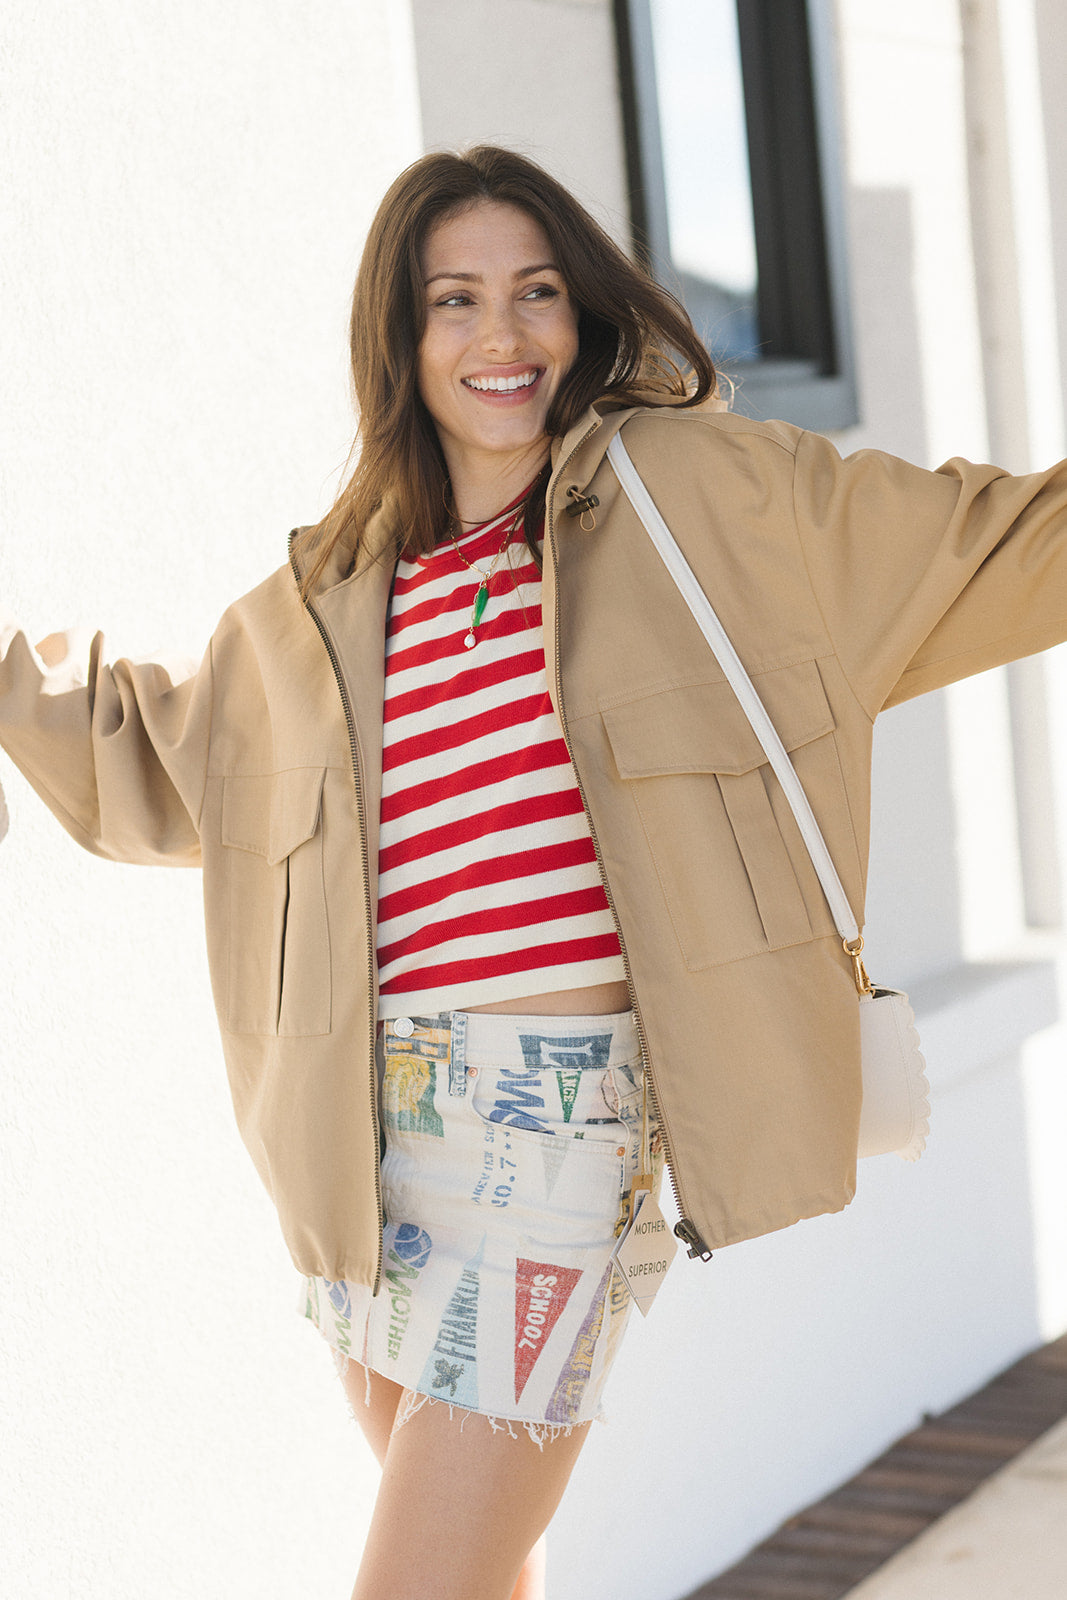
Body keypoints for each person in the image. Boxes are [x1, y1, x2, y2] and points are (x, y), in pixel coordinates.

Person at [3, 142, 1067, 1599]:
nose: (500, 337)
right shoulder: (324, 598)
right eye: (454, 300)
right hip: (355, 1144)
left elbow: (993, 544)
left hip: (559, 1121)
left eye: (535, 292)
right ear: (402, 336)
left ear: (583, 316)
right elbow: (149, 756)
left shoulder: (706, 502)